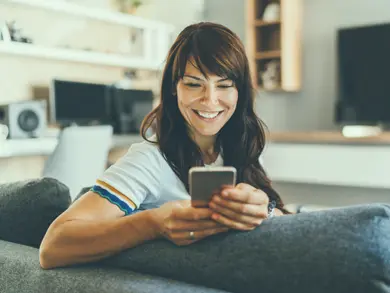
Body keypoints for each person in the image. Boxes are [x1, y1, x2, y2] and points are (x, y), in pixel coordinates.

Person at [39, 22, 289, 270]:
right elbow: (53, 246)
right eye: (193, 84)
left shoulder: (242, 147)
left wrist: (263, 211)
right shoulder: (149, 160)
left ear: (240, 92)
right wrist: (153, 223)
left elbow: (283, 223)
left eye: (224, 86)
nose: (210, 100)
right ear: (173, 88)